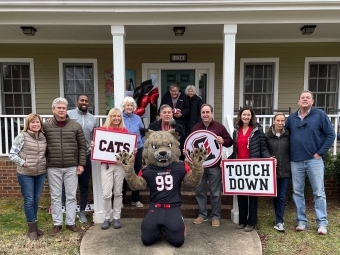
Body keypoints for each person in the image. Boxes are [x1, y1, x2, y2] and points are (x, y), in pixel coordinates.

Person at [285, 90, 335, 235]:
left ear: (312, 101)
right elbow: (284, 135)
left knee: (319, 193)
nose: (305, 99)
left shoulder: (320, 115)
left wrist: (320, 153)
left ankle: (322, 223)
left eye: (308, 97)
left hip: (315, 161)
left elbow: (330, 134)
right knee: (297, 192)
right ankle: (301, 221)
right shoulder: (292, 118)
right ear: (298, 101)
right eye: (303, 98)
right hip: (296, 161)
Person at [43, 97, 86, 236]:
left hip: (71, 166)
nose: (61, 110)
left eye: (64, 108)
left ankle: (70, 223)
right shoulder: (46, 126)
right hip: (53, 166)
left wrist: (81, 164)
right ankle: (57, 224)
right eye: (59, 108)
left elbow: (82, 147)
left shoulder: (75, 126)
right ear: (53, 110)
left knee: (71, 196)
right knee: (55, 196)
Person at [228, 106, 271, 232]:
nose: (246, 117)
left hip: (253, 167)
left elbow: (263, 148)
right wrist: (227, 161)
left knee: (252, 196)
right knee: (241, 195)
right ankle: (242, 221)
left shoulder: (257, 130)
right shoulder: (236, 130)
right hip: (239, 168)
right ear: (240, 116)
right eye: (244, 114)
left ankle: (251, 222)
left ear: (251, 116)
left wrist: (269, 159)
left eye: (248, 115)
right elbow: (234, 151)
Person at [192, 104, 233, 227]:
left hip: (214, 166)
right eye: (203, 112)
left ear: (212, 113)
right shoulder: (196, 128)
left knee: (215, 192)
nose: (205, 114)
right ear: (201, 114)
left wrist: (223, 141)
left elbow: (230, 141)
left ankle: (215, 216)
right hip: (199, 167)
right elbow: (191, 145)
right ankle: (202, 215)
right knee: (199, 191)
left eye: (207, 112)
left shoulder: (219, 127)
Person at [9, 113, 47, 240]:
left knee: (36, 199)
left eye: (38, 122)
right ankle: (32, 230)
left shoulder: (43, 137)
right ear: (28, 124)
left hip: (40, 173)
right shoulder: (22, 136)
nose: (36, 124)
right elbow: (12, 154)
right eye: (33, 122)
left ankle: (35, 226)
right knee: (29, 200)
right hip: (25, 174)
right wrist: (23, 163)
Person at [92, 108, 127, 230]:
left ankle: (116, 217)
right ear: (110, 117)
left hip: (120, 166)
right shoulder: (102, 131)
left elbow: (128, 147)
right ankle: (107, 218)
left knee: (118, 192)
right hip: (106, 165)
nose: (116, 118)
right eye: (114, 116)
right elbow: (98, 147)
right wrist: (94, 146)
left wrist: (132, 150)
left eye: (118, 116)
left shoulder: (124, 131)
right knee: (106, 193)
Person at [67, 95, 97, 223]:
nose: (84, 102)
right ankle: (69, 212)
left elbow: (95, 135)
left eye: (86, 100)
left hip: (86, 155)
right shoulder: (69, 114)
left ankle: (82, 211)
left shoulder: (93, 118)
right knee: (69, 186)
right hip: (70, 154)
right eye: (82, 100)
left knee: (84, 185)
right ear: (77, 102)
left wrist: (94, 143)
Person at [265, 112, 291, 232]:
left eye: (282, 121)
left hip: (285, 170)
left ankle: (279, 221)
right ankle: (278, 217)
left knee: (282, 197)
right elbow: (264, 151)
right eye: (278, 120)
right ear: (274, 121)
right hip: (272, 171)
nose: (280, 123)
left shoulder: (288, 135)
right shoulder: (267, 136)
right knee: (275, 196)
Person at [121, 96, 144, 208]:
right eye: (127, 105)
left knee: (136, 173)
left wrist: (142, 146)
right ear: (123, 106)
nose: (129, 107)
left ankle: (135, 199)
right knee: (123, 174)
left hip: (137, 149)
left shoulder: (138, 118)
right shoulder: (119, 117)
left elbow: (142, 133)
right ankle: (121, 199)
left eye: (131, 105)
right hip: (123, 150)